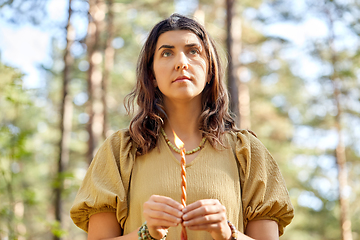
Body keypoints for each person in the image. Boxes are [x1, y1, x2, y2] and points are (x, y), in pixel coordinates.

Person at [70, 13, 294, 240]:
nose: (181, 63)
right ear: (152, 74)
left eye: (193, 51)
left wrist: (228, 233)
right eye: (166, 53)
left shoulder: (246, 152)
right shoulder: (120, 150)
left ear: (210, 71)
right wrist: (147, 234)